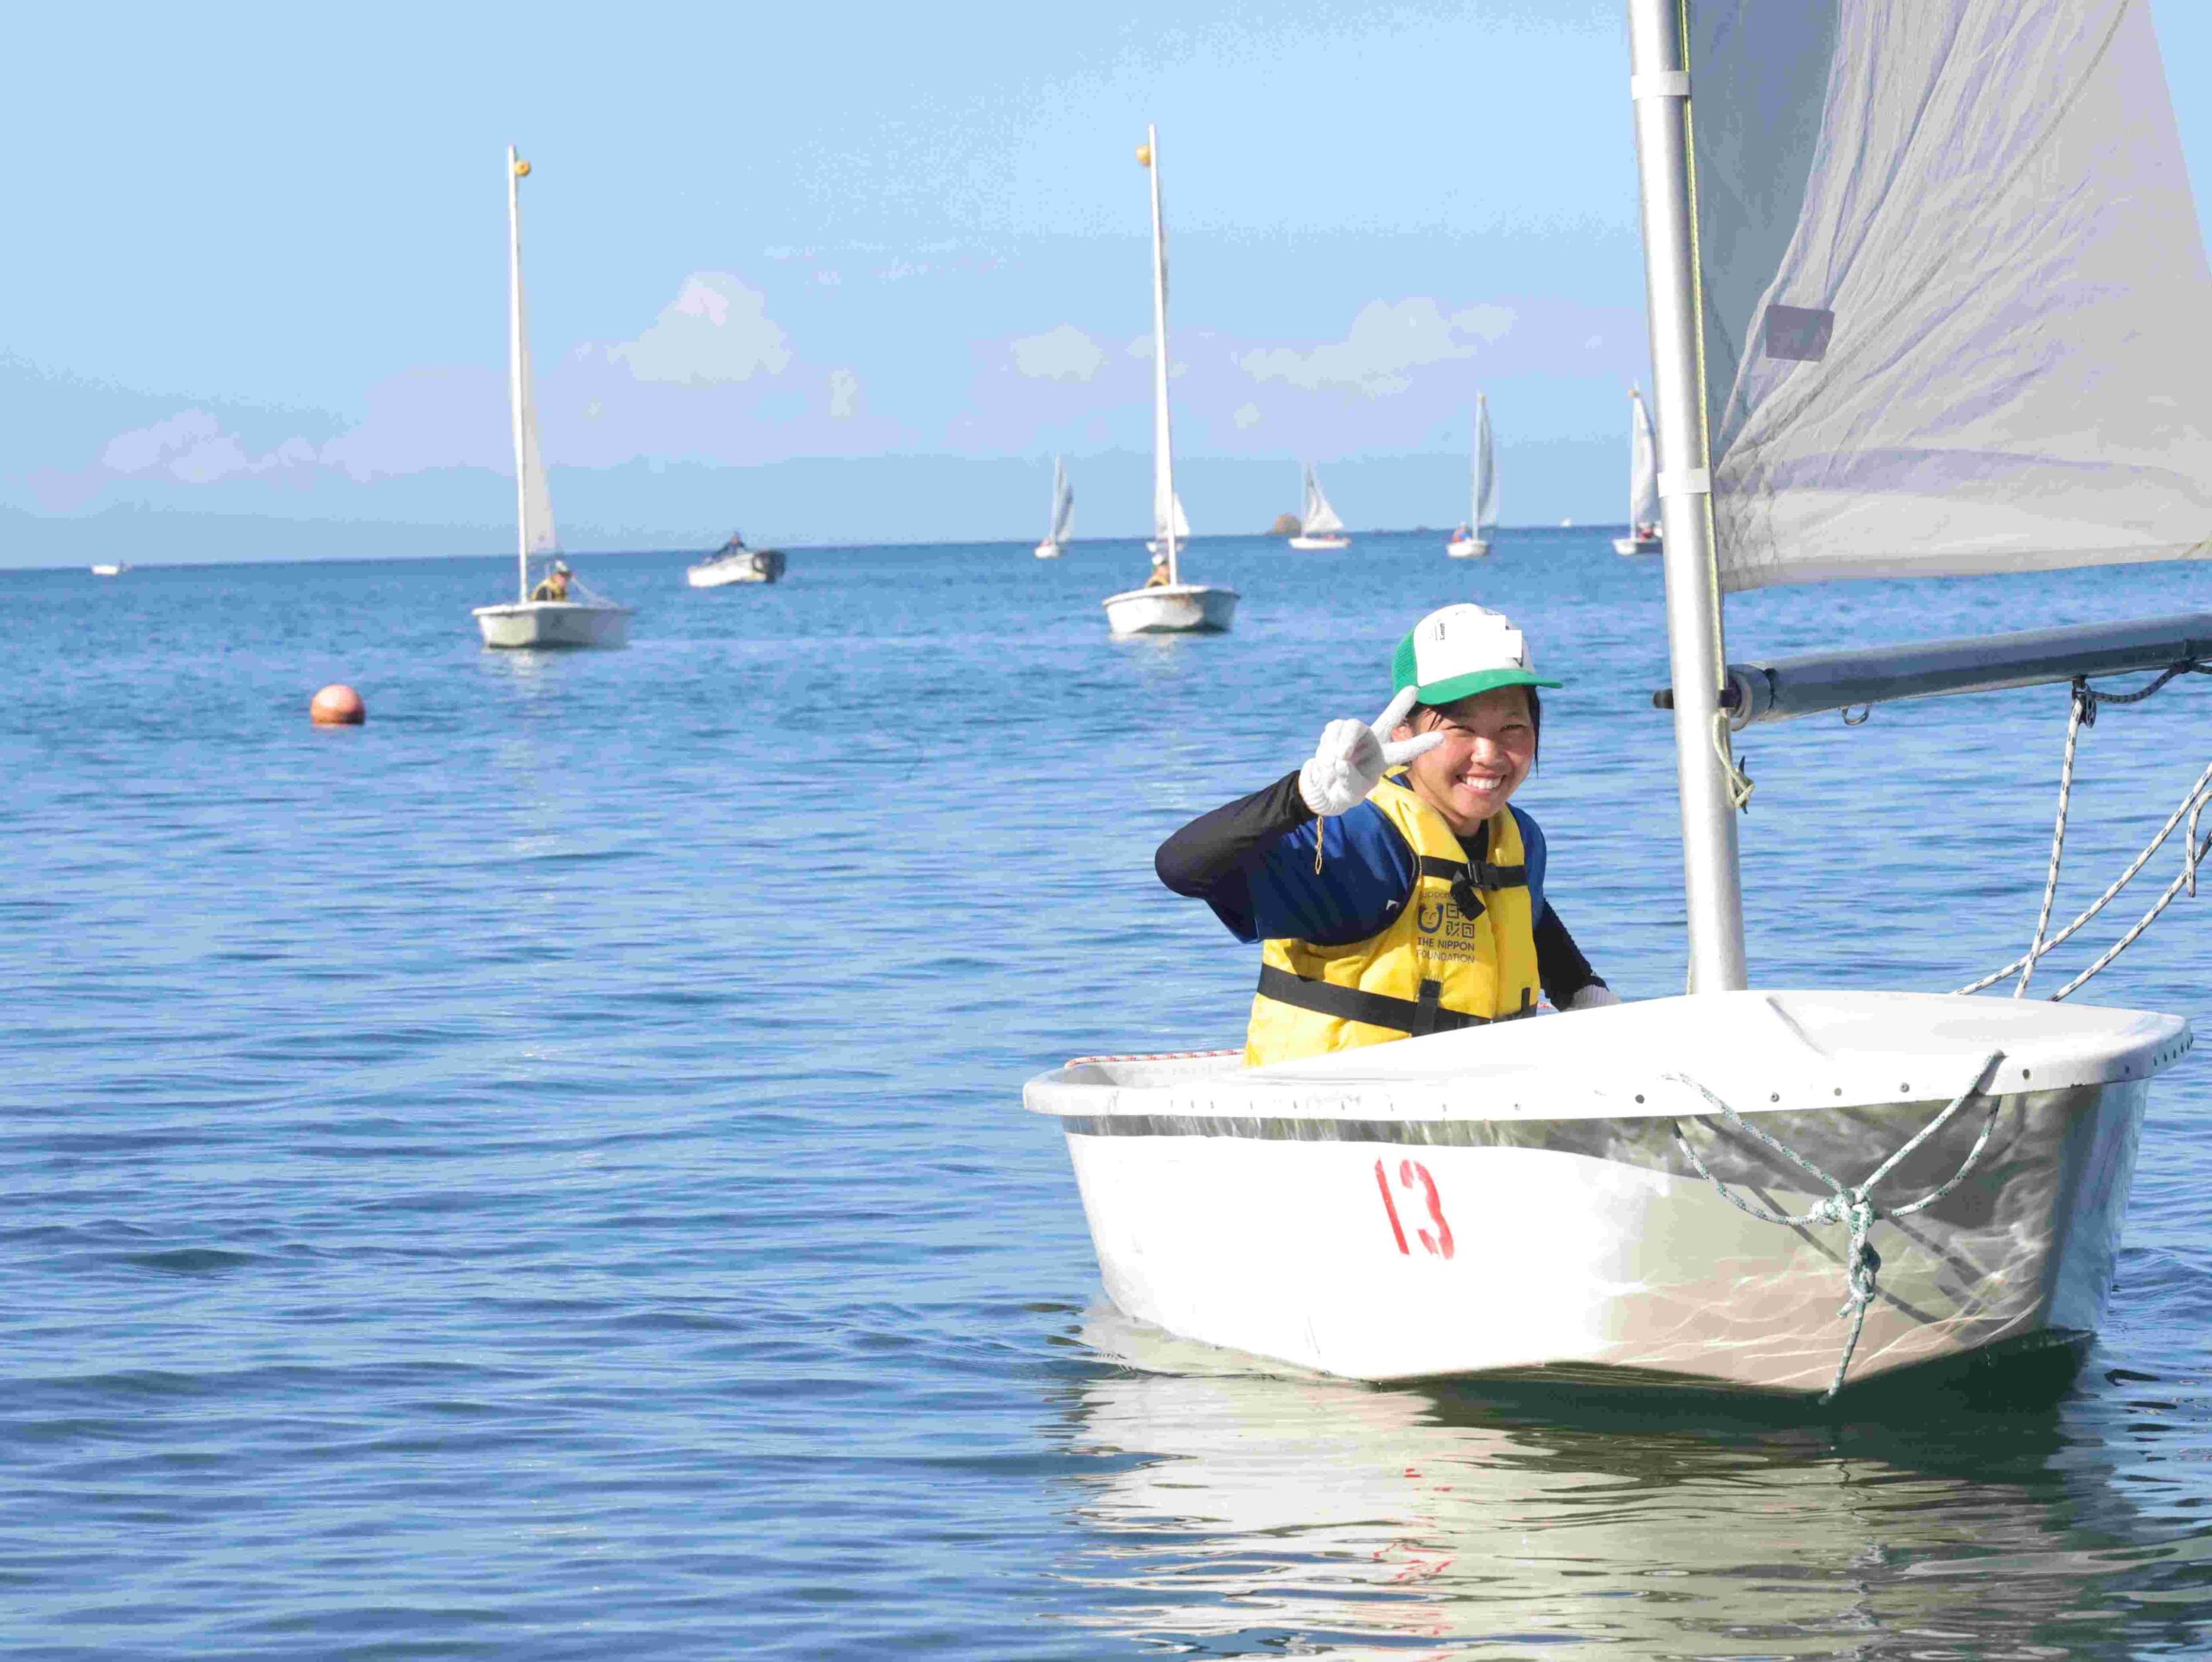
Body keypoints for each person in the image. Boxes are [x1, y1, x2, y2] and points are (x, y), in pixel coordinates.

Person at [1156, 602, 1617, 1069]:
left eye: (1512, 727)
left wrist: (1596, 1006)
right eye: (1461, 728)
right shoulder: (1360, 841)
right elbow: (1179, 866)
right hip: (1333, 1116)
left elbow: (1528, 921)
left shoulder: (1518, 837)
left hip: (1475, 1099)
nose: (1489, 753)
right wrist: (1301, 796)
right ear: (1402, 732)